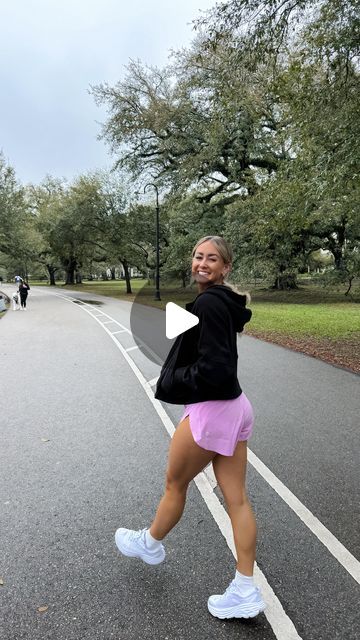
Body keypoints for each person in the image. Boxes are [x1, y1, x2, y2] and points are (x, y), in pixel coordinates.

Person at [115, 235, 266, 620]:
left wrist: (173, 380)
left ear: (225, 267)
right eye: (198, 256)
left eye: (212, 258)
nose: (202, 263)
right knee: (237, 500)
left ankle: (150, 543)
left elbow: (215, 368)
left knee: (175, 484)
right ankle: (246, 589)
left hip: (213, 410)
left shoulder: (211, 302)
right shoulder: (220, 302)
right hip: (235, 407)